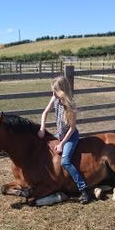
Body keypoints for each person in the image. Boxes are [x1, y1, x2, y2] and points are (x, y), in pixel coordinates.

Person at [37, 75, 92, 204]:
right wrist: (42, 128)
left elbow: (72, 129)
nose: (53, 93)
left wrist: (62, 144)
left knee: (65, 161)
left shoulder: (70, 107)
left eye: (55, 91)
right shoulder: (54, 98)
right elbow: (45, 112)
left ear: (62, 91)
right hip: (60, 134)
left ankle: (84, 189)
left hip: (70, 136)